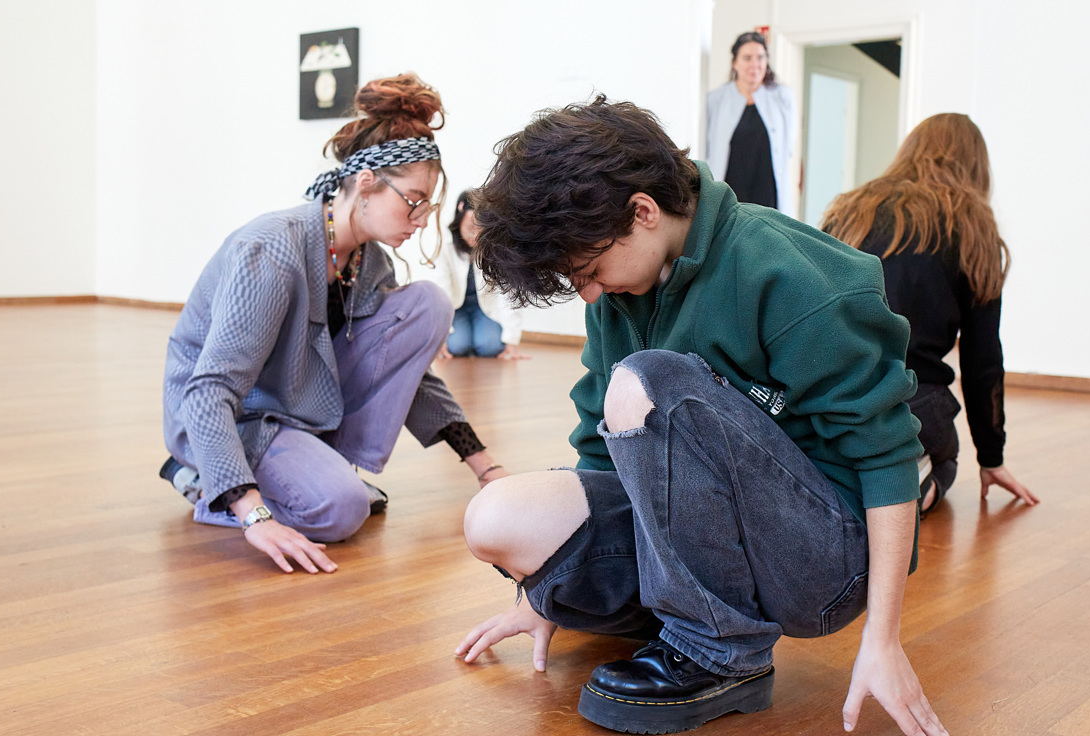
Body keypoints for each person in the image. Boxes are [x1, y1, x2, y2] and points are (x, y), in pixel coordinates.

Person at [455, 96, 947, 736]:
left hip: (823, 561)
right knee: (494, 518)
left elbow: (887, 457)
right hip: (712, 539)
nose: (591, 292)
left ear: (642, 211)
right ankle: (680, 614)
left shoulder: (787, 272)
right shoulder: (620, 292)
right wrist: (548, 593)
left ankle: (721, 651)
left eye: (591, 270)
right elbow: (600, 453)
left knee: (648, 382)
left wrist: (883, 638)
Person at [158, 74, 510, 575]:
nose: (420, 218)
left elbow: (408, 375)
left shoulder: (368, 261)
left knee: (429, 303)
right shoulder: (272, 252)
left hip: (295, 405)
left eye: (428, 205)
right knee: (342, 510)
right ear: (366, 184)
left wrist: (485, 467)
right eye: (413, 200)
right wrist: (254, 515)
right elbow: (209, 391)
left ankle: (321, 469)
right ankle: (204, 480)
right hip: (231, 418)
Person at [821, 113, 1038, 516]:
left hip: (830, 395)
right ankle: (905, 485)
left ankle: (846, 474)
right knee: (945, 458)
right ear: (975, 167)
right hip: (913, 403)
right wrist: (991, 458)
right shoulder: (973, 227)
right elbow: (983, 361)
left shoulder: (850, 209)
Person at [705, 31, 796, 211]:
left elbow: (788, 150)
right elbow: (707, 149)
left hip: (768, 200)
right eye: (747, 58)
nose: (755, 64)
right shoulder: (716, 99)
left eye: (760, 58)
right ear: (735, 63)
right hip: (730, 199)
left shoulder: (783, 97)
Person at [432, 190, 528, 360]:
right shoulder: (444, 246)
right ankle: (467, 340)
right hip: (456, 310)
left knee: (491, 347)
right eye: (470, 228)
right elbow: (442, 293)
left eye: (481, 228)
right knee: (457, 346)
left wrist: (511, 340)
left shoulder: (497, 247)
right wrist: (440, 337)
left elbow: (509, 293)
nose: (475, 235)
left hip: (484, 309)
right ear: (459, 220)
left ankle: (474, 339)